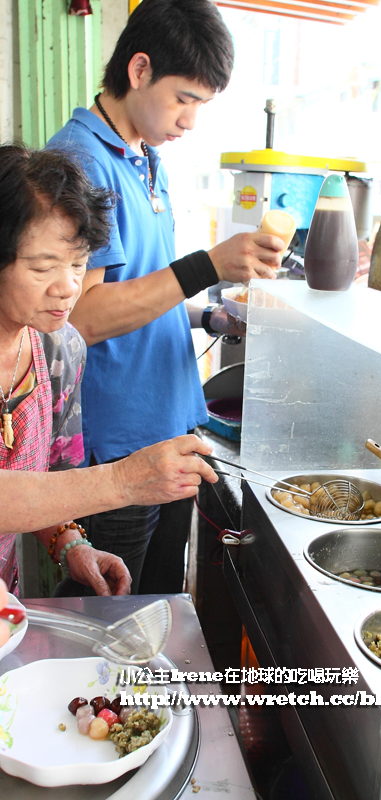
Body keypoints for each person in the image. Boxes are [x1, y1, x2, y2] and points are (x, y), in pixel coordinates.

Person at [47, 0, 284, 595]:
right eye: (185, 98)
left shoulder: (148, 160)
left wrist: (210, 315)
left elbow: (144, 292)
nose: (191, 120)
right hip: (117, 445)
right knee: (110, 616)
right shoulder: (80, 161)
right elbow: (79, 317)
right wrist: (207, 265)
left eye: (202, 104)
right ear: (139, 69)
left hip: (168, 430)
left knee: (157, 609)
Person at [0, 143, 218, 597]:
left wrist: (71, 543)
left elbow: (49, 483)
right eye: (44, 267)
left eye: (79, 265)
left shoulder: (58, 350)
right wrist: (121, 481)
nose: (68, 288)